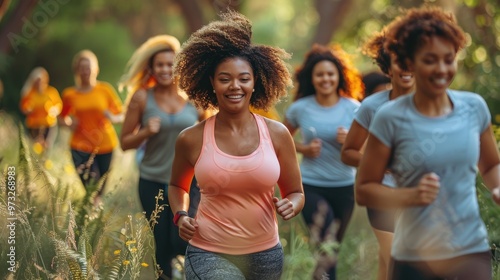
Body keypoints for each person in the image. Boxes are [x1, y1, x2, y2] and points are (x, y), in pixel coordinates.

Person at [356, 6, 500, 280]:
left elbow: (492, 164)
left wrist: (498, 186)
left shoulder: (474, 107)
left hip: (470, 248)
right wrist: (409, 196)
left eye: (449, 59)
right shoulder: (389, 117)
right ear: (409, 62)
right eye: (430, 60)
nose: (442, 69)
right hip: (414, 256)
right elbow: (364, 190)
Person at [168, 11, 305, 280]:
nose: (235, 86)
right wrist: (181, 215)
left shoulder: (277, 134)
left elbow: (296, 192)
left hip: (266, 255)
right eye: (225, 78)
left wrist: (292, 205)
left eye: (244, 78)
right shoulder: (192, 138)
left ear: (255, 82)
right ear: (211, 82)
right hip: (208, 252)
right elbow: (177, 186)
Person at [119, 34, 207, 279]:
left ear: (179, 66)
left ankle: (187, 271)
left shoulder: (194, 99)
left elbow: (211, 136)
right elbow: (124, 142)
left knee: (182, 239)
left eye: (171, 64)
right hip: (153, 181)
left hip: (190, 183)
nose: (165, 69)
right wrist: (146, 132)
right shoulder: (141, 98)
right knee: (163, 245)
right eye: (160, 64)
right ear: (151, 68)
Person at [340, 25, 415, 280]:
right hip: (381, 194)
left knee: (388, 264)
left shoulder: (436, 103)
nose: (406, 68)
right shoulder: (371, 106)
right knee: (397, 258)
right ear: (387, 66)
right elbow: (348, 152)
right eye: (398, 61)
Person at [283, 43, 363, 280]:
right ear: (312, 78)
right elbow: (279, 139)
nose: (325, 79)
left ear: (339, 76)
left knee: (331, 247)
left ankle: (320, 276)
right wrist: (303, 149)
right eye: (320, 74)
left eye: (330, 73)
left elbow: (370, 148)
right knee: (325, 240)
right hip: (311, 185)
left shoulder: (355, 108)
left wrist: (350, 140)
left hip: (345, 187)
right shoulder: (301, 108)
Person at [60, 50, 123, 196]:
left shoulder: (104, 90)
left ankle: (93, 215)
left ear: (96, 69)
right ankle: (92, 211)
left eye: (88, 67)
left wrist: (113, 118)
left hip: (105, 145)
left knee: (100, 188)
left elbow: (122, 114)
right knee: (90, 186)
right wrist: (69, 124)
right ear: (77, 70)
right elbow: (61, 118)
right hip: (79, 145)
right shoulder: (70, 94)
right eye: (82, 68)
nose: (85, 71)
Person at [19, 67, 62, 153]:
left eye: (41, 80)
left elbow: (58, 105)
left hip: (48, 125)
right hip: (33, 125)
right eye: (37, 80)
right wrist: (28, 109)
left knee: (46, 147)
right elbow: (23, 107)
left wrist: (53, 110)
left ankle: (44, 164)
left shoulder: (51, 92)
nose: (39, 83)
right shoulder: (30, 93)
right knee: (34, 149)